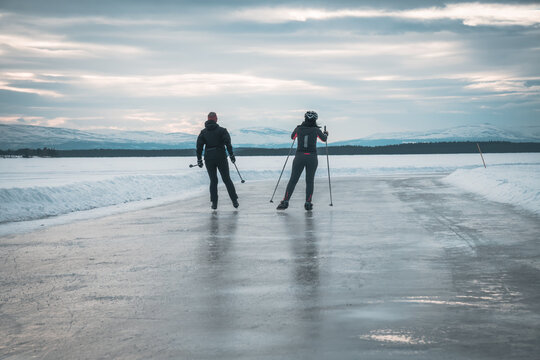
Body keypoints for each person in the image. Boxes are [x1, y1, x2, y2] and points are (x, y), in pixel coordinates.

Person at [277, 111, 328, 211]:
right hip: (312, 157)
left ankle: (285, 201)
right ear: (315, 120)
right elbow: (324, 139)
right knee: (310, 181)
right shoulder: (316, 130)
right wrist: (325, 134)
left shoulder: (298, 129)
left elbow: (292, 137)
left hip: (299, 156)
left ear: (305, 118)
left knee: (293, 180)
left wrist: (298, 130)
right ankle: (308, 203)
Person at [196, 112, 239, 210]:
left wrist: (199, 159)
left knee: (213, 180)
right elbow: (228, 143)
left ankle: (214, 203)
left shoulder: (203, 132)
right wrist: (231, 155)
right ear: (216, 119)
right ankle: (234, 201)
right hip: (221, 157)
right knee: (226, 179)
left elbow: (199, 147)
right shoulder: (222, 131)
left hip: (209, 158)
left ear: (208, 119)